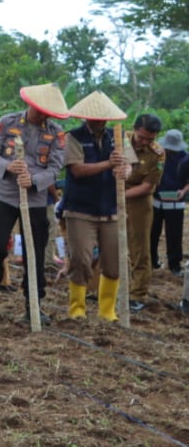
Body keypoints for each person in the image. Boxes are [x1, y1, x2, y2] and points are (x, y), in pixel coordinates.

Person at [0, 84, 69, 323]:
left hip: (36, 199)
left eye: (47, 112)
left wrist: (35, 180)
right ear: (31, 104)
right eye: (39, 110)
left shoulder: (57, 133)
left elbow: (56, 167)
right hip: (5, 194)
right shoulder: (7, 122)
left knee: (34, 253)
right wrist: (8, 166)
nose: (42, 115)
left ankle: (33, 304)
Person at [59, 91, 129, 322]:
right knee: (80, 259)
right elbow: (77, 170)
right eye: (95, 117)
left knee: (114, 260)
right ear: (86, 117)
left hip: (111, 209)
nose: (100, 121)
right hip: (80, 209)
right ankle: (77, 308)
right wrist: (109, 164)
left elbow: (129, 166)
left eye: (103, 118)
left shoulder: (117, 137)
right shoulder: (74, 138)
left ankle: (107, 310)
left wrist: (123, 170)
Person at [124, 113, 164, 311]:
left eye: (151, 139)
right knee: (109, 243)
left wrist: (121, 196)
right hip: (112, 197)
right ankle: (104, 288)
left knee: (139, 247)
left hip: (138, 202)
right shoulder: (118, 141)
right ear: (135, 129)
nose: (145, 142)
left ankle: (137, 294)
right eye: (142, 137)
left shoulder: (158, 153)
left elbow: (147, 186)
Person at [151, 128, 187, 277]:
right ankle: (152, 260)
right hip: (156, 200)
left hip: (175, 202)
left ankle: (174, 264)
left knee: (174, 235)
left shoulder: (186, 159)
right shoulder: (157, 155)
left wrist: (183, 191)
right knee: (152, 233)